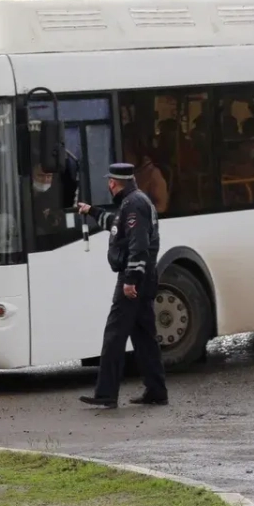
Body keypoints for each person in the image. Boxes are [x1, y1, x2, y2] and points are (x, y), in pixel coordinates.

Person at [75, 163, 168, 409]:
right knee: (144, 337)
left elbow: (139, 245)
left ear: (115, 183)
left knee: (114, 334)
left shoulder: (134, 205)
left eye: (110, 181)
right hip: (141, 276)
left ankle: (106, 393)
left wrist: (130, 280)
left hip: (134, 277)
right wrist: (92, 211)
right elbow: (116, 226)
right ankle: (156, 391)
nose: (108, 184)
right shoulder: (132, 202)